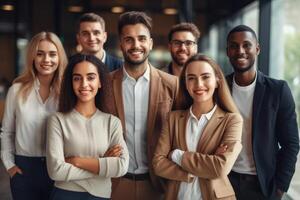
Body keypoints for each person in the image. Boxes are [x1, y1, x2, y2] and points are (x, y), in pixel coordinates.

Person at [109, 11, 180, 200]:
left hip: (157, 185)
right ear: (121, 44)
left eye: (141, 39)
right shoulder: (104, 85)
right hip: (115, 184)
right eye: (129, 39)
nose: (136, 45)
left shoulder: (172, 85)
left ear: (150, 43)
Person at [153, 54, 243, 200]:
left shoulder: (232, 120)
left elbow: (220, 168)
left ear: (217, 81)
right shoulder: (173, 118)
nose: (199, 84)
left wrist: (177, 155)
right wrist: (196, 169)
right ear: (186, 84)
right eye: (191, 78)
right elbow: (158, 163)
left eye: (205, 77)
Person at [225, 25, 299, 200]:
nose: (240, 51)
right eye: (234, 46)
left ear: (257, 49)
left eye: (246, 45)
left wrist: (279, 189)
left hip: (262, 187)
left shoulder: (278, 90)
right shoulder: (220, 88)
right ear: (228, 51)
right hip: (225, 182)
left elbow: (291, 144)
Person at [46, 54, 129, 200]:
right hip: (65, 194)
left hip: (101, 195)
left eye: (90, 77)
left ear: (100, 82)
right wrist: (101, 166)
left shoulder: (112, 122)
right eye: (77, 78)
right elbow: (55, 170)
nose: (84, 84)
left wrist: (77, 161)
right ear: (71, 83)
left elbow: (121, 166)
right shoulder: (57, 120)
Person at [0, 31, 68, 200]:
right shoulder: (16, 90)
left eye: (52, 54)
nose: (46, 60)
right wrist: (9, 165)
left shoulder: (67, 92)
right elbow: (7, 132)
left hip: (59, 167)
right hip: (24, 169)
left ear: (59, 57)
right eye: (40, 54)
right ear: (32, 57)